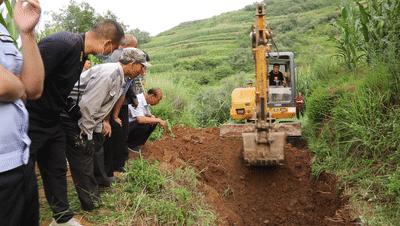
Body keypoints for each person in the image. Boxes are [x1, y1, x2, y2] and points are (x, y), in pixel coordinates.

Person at [26, 19, 124, 225]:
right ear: (107, 44)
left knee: (57, 167)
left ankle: (62, 218)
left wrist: (75, 115)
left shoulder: (81, 54)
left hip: (52, 121)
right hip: (31, 121)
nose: (108, 54)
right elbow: (26, 76)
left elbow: (59, 91)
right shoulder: (62, 43)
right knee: (24, 175)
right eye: (112, 49)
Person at [62, 47, 149, 211]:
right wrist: (86, 135)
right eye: (141, 66)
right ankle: (90, 203)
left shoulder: (120, 76)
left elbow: (102, 105)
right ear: (131, 64)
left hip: (86, 117)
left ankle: (95, 189)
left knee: (95, 148)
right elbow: (87, 107)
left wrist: (99, 126)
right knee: (83, 156)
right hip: (73, 117)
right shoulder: (110, 75)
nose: (143, 71)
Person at [0, 0, 44, 225]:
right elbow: (4, 86)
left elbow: (34, 88)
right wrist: (18, 87)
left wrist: (27, 33)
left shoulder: (2, 31)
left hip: (19, 161)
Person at [103, 34, 142, 176]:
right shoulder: (120, 58)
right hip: (112, 102)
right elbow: (117, 89)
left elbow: (125, 88)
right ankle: (113, 168)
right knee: (116, 134)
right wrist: (109, 117)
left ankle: (115, 165)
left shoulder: (120, 58)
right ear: (130, 46)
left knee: (117, 133)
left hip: (117, 101)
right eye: (135, 47)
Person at [127, 88, 166, 152]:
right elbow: (140, 119)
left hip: (131, 125)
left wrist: (152, 117)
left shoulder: (145, 102)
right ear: (152, 96)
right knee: (144, 124)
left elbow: (147, 115)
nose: (158, 103)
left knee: (152, 121)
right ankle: (130, 144)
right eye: (158, 100)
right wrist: (158, 120)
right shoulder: (139, 100)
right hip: (125, 126)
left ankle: (138, 143)